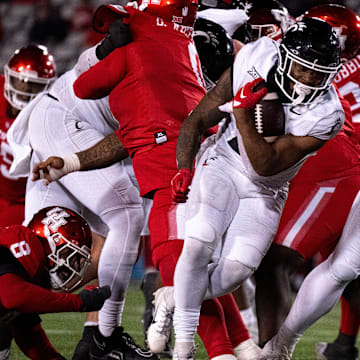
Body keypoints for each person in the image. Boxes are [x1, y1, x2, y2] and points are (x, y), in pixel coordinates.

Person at [33, 4, 262, 360]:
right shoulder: (153, 55)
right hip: (65, 119)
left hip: (116, 142)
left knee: (188, 256)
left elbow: (136, 133)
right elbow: (85, 88)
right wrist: (104, 50)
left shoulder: (172, 61)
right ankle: (104, 337)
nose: (215, 87)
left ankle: (231, 344)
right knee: (136, 226)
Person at [164, 17, 344, 359]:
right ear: (286, 56)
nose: (312, 79)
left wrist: (243, 112)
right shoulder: (255, 57)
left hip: (266, 188)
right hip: (222, 162)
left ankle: (172, 298)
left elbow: (265, 164)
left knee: (235, 273)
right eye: (305, 69)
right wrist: (184, 168)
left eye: (321, 73)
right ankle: (183, 345)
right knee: (200, 238)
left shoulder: (328, 114)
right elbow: (198, 118)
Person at [7, 23, 158, 360]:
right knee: (126, 215)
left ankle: (95, 338)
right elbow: (129, 134)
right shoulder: (164, 56)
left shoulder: (170, 59)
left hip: (78, 136)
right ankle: (105, 335)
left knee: (90, 251)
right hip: (64, 129)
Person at [251, 4, 360, 359]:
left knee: (278, 261)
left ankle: (275, 347)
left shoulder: (312, 70)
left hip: (336, 163)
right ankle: (333, 345)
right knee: (343, 269)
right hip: (335, 162)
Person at [0, 205, 111, 360]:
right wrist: (79, 302)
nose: (71, 266)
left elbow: (30, 338)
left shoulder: (28, 271)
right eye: (69, 255)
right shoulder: (12, 246)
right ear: (53, 243)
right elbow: (13, 296)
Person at [0, 44, 56, 228]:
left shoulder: (51, 117)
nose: (24, 90)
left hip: (24, 202)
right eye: (20, 81)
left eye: (33, 86)